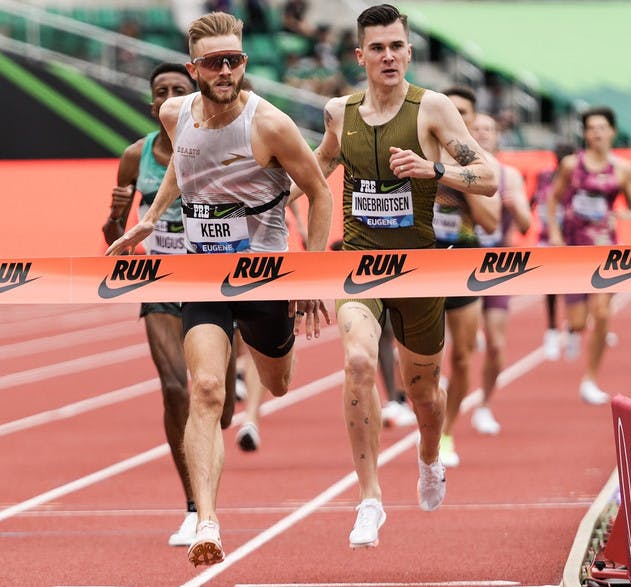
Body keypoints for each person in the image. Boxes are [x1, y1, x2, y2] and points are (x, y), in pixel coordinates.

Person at [106, 11, 333, 567]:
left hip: (265, 275)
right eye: (215, 62)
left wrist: (312, 273)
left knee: (277, 384)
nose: (226, 69)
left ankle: (266, 363)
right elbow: (186, 167)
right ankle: (206, 519)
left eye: (235, 60)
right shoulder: (173, 113)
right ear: (196, 68)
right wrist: (152, 218)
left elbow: (320, 193)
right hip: (202, 273)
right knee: (205, 388)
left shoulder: (270, 124)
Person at [294, 4, 497, 548]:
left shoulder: (431, 108)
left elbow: (489, 178)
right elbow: (325, 163)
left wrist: (434, 169)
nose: (389, 56)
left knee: (424, 393)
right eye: (378, 47)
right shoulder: (339, 111)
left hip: (420, 271)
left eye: (397, 46)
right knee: (359, 361)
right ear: (359, 56)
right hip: (359, 265)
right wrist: (273, 198)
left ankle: (429, 456)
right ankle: (369, 499)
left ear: (409, 51)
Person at [102, 62, 241, 548]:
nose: (168, 97)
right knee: (174, 387)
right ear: (151, 103)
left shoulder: (218, 145)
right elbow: (114, 238)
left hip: (213, 281)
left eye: (177, 90)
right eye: (160, 91)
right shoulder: (135, 156)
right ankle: (192, 507)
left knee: (218, 409)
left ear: (193, 97)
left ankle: (227, 398)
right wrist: (118, 216)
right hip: (160, 283)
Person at [547, 106, 631, 404]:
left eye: (602, 127)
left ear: (612, 131)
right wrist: (554, 234)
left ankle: (589, 378)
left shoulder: (623, 169)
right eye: (591, 128)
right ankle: (574, 329)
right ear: (585, 133)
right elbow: (553, 200)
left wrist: (623, 216)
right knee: (578, 321)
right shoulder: (570, 165)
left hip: (606, 251)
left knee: (601, 313)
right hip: (575, 249)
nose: (597, 133)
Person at [435, 86, 501, 467]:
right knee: (421, 357)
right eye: (450, 109)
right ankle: (426, 418)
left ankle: (446, 433)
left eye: (463, 112)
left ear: (472, 121)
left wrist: (459, 176)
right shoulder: (420, 149)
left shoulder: (482, 163)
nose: (455, 115)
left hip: (463, 261)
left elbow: (491, 222)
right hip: (422, 261)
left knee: (461, 358)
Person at [469, 112, 531, 435]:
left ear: (496, 136)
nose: (481, 133)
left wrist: (515, 206)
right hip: (460, 266)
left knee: (496, 344)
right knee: (456, 345)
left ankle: (484, 405)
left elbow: (525, 225)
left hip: (496, 268)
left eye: (488, 129)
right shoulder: (458, 171)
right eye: (476, 128)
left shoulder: (509, 175)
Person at [532, 142, 576, 361]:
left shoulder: (576, 179)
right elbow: (536, 198)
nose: (561, 159)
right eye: (558, 154)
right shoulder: (545, 176)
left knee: (573, 287)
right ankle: (551, 329)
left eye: (566, 155)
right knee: (549, 287)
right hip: (547, 238)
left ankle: (572, 329)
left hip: (571, 239)